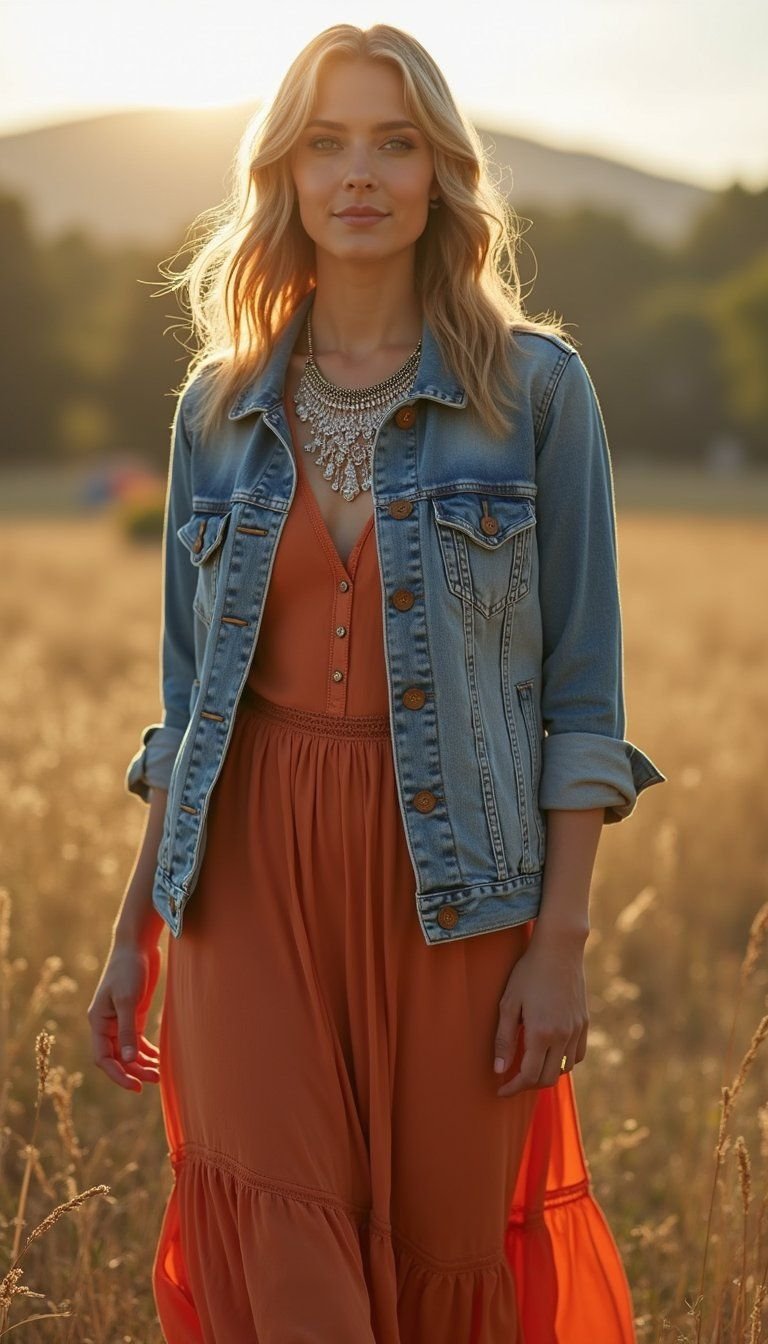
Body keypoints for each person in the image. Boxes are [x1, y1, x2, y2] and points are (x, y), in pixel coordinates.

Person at [88, 22, 666, 1343]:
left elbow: (584, 702)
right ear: (285, 175)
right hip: (244, 885)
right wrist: (138, 930)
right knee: (291, 1276)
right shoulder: (216, 408)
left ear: (440, 174)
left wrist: (560, 946)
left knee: (444, 1270)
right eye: (327, 143)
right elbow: (189, 709)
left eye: (394, 143)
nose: (360, 173)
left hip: (454, 901)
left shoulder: (535, 393)